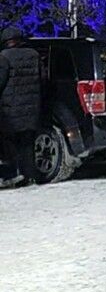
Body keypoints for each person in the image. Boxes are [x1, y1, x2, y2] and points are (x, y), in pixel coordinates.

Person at [0, 27, 42, 187]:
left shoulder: (4, 57)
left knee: (11, 144)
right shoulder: (34, 55)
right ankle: (30, 176)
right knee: (27, 144)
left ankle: (15, 174)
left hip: (10, 110)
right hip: (32, 108)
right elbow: (42, 79)